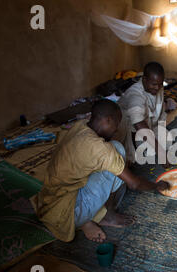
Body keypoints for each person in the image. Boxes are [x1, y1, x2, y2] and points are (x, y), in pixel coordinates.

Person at [31, 99, 169, 243]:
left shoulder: (80, 126)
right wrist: (156, 186)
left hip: (51, 202)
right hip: (67, 214)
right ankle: (102, 216)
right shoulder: (100, 149)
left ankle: (87, 219)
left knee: (115, 151)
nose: (116, 129)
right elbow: (133, 184)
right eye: (116, 124)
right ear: (108, 120)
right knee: (117, 152)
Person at [117, 62, 175, 167]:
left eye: (160, 84)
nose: (157, 88)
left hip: (149, 126)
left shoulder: (158, 88)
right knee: (146, 154)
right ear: (144, 79)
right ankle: (132, 150)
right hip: (131, 131)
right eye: (154, 84)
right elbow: (139, 124)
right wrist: (161, 153)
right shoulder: (135, 95)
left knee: (168, 140)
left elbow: (160, 112)